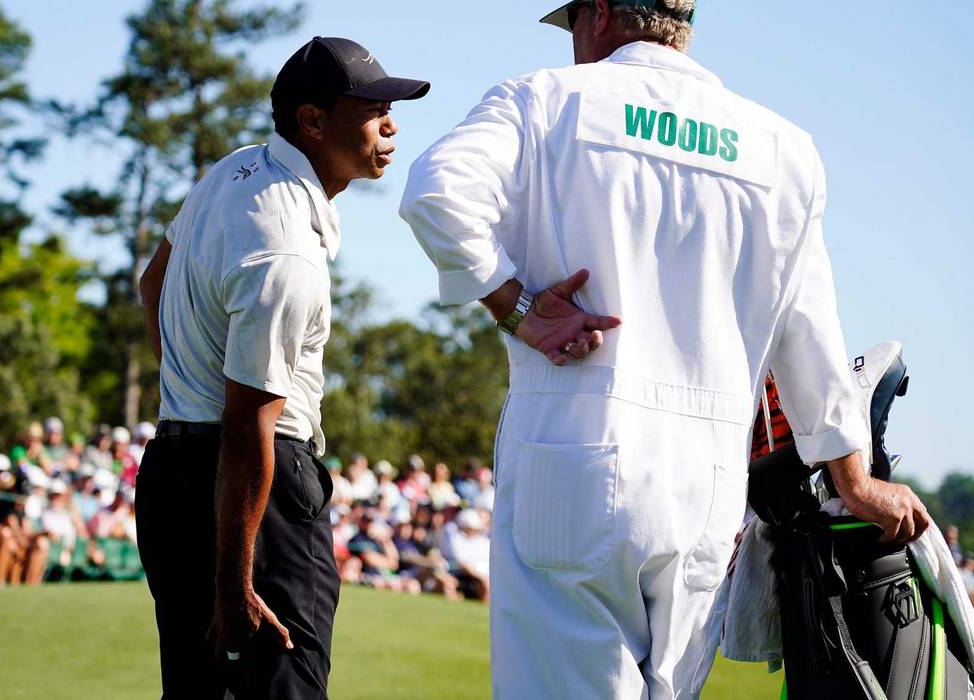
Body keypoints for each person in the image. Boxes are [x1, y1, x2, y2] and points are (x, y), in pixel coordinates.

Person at [399, 2, 931, 696]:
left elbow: (437, 192)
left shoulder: (546, 100)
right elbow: (810, 330)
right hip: (706, 481)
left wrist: (519, 308)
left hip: (572, 449)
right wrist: (851, 480)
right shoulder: (783, 147)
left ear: (597, 15)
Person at [135, 35, 428, 698]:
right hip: (252, 494)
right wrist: (235, 586)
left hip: (172, 475)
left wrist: (190, 384)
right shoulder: (286, 251)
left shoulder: (233, 171)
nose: (391, 124)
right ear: (313, 120)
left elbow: (151, 284)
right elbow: (246, 428)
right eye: (373, 108)